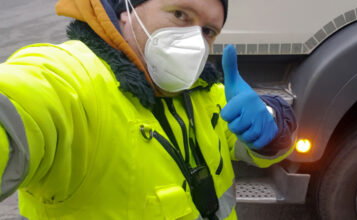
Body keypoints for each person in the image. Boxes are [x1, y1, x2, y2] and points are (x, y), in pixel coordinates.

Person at [0, 0, 296, 219]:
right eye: (180, 14)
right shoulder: (73, 81)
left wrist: (272, 121)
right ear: (126, 11)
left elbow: (258, 149)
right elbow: (21, 103)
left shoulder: (204, 94)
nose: (194, 41)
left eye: (207, 31)